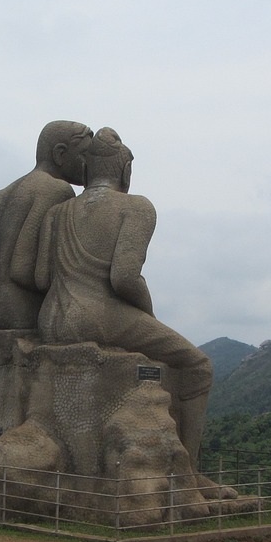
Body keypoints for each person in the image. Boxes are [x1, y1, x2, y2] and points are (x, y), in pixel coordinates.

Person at [35, 128, 214, 462]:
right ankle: (188, 470)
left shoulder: (56, 214)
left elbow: (41, 277)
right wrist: (147, 315)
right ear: (125, 169)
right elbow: (125, 278)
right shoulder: (137, 207)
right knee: (198, 366)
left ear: (86, 169)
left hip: (51, 318)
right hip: (99, 315)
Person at [0, 120, 93, 331]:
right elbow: (24, 270)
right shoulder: (57, 190)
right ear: (60, 154)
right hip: (25, 312)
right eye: (85, 155)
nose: (89, 164)